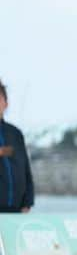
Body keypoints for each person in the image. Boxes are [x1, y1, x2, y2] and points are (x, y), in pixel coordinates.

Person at [0, 79, 34, 214]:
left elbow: (25, 168)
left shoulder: (15, 133)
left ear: (6, 103)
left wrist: (28, 202)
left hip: (16, 209)